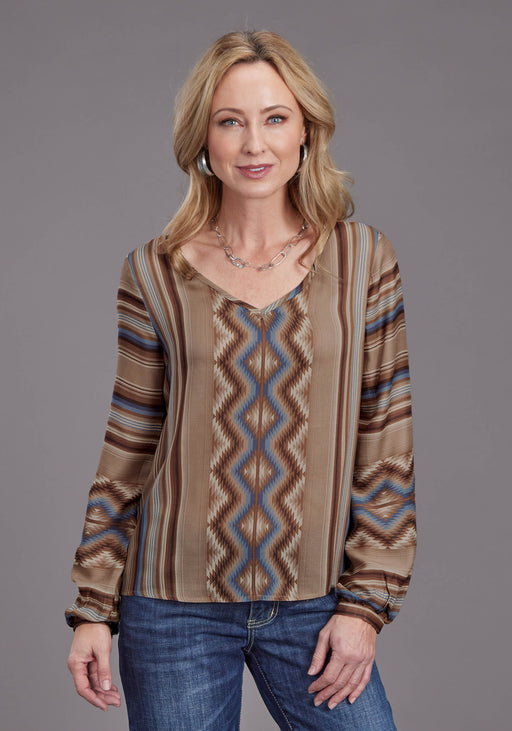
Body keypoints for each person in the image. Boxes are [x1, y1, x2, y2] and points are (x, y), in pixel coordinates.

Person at [66, 30, 416, 731]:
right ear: (203, 138)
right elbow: (130, 443)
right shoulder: (155, 271)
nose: (254, 144)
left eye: (274, 118)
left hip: (318, 601)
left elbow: (385, 438)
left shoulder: (363, 260)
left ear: (306, 131)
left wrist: (365, 604)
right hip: (171, 608)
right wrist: (94, 607)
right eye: (230, 121)